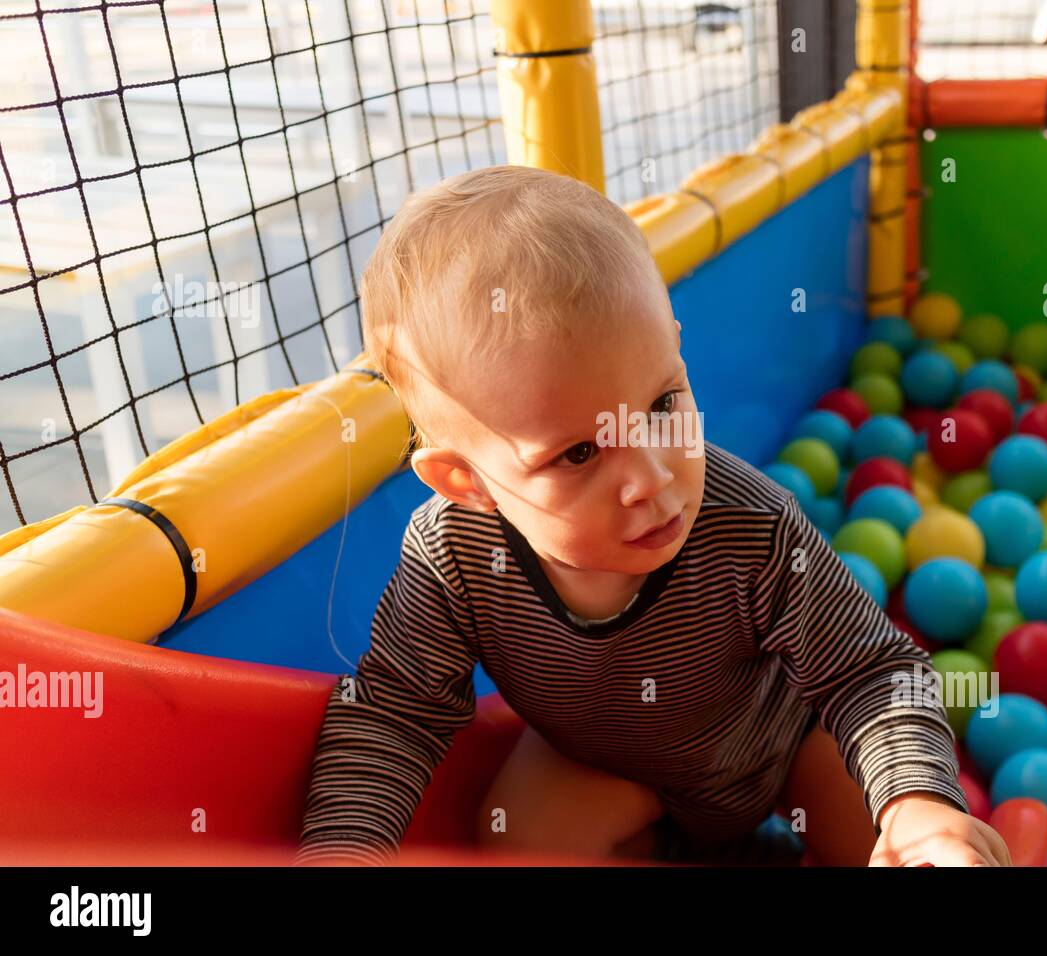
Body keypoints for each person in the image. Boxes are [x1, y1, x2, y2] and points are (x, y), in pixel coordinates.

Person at [296, 164, 1010, 867]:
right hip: (614, 768)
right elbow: (394, 710)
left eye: (663, 405)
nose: (649, 476)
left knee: (891, 839)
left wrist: (915, 803)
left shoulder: (752, 527)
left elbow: (871, 672)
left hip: (784, 749)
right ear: (466, 480)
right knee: (522, 839)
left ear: (675, 342)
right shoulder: (453, 559)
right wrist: (343, 851)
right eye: (578, 454)